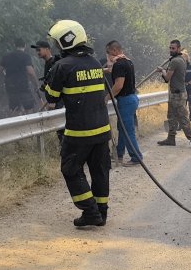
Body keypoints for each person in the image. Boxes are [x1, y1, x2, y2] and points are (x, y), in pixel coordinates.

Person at [43, 20, 111, 227]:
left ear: (66, 40)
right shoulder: (94, 63)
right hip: (102, 129)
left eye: (57, 42)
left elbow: (52, 99)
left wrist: (49, 79)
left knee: (70, 169)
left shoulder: (61, 66)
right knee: (100, 171)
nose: (56, 46)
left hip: (79, 132)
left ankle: (90, 212)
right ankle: (101, 212)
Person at [156, 39, 191, 150]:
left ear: (178, 49)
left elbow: (167, 78)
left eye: (173, 48)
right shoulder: (181, 59)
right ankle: (171, 138)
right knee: (171, 117)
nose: (171, 50)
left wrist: (162, 71)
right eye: (170, 48)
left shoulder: (175, 61)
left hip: (178, 95)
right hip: (176, 93)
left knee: (183, 119)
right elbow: (173, 73)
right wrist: (166, 70)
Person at [105, 40, 143, 166]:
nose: (108, 56)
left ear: (115, 50)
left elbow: (119, 85)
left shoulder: (119, 64)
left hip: (125, 100)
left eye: (108, 52)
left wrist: (107, 97)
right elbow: (113, 71)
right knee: (122, 128)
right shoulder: (128, 61)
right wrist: (102, 71)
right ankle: (118, 154)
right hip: (132, 98)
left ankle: (136, 157)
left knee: (127, 130)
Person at [33, 40, 64, 146]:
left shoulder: (54, 62)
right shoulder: (48, 63)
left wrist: (53, 102)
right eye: (36, 50)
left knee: (62, 127)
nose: (37, 52)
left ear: (47, 49)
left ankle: (66, 149)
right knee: (60, 128)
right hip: (55, 100)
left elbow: (56, 83)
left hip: (59, 100)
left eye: (39, 49)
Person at [0, 38, 39, 114]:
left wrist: (5, 77)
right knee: (29, 108)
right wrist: (36, 84)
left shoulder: (6, 56)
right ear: (25, 45)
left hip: (10, 87)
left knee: (15, 109)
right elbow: (30, 72)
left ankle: (16, 123)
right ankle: (29, 124)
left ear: (14, 45)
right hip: (23, 86)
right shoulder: (26, 56)